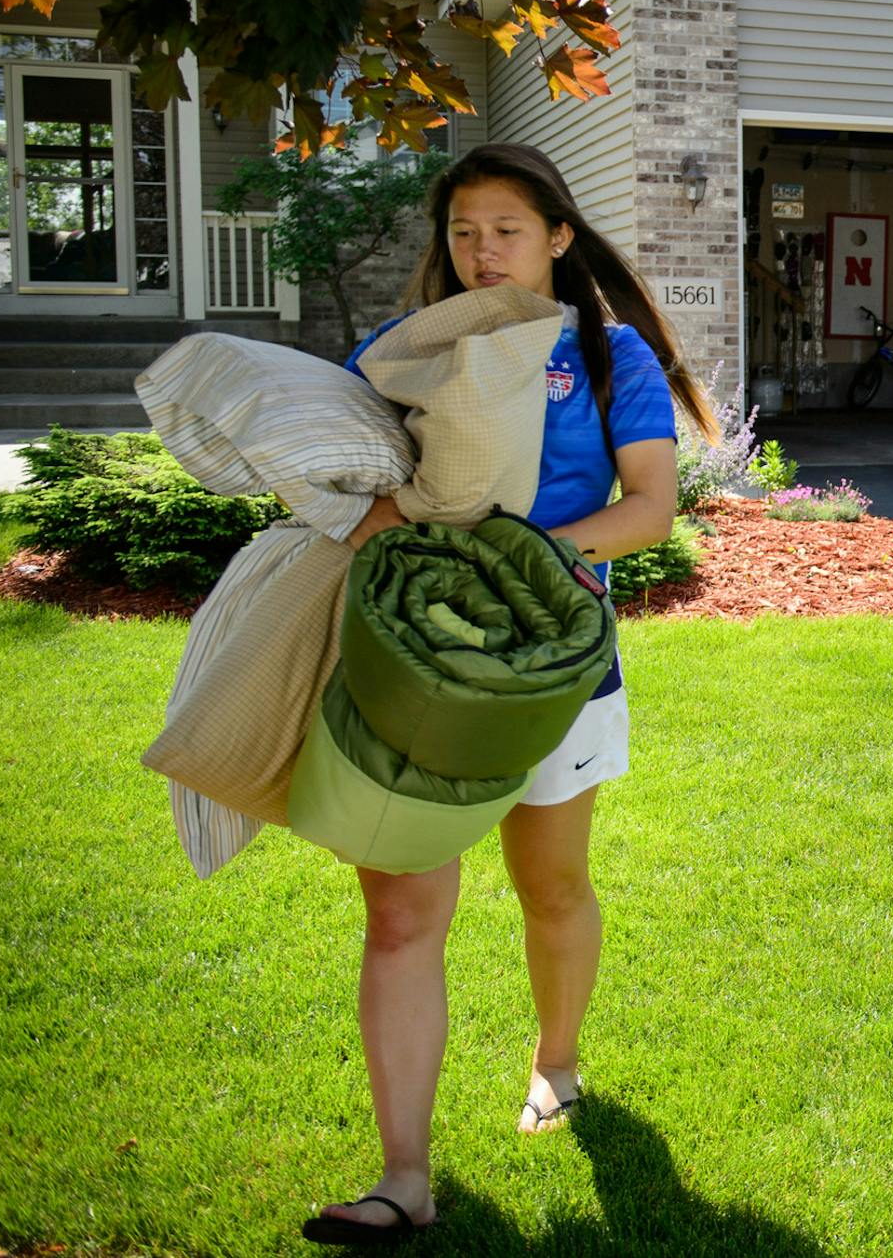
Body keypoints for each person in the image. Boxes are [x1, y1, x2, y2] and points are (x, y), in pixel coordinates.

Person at [303, 143, 716, 1244]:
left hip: (552, 671)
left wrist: (519, 560)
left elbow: (649, 507)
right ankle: (402, 1176)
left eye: (507, 230)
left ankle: (558, 1062)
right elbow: (346, 484)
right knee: (400, 912)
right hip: (416, 667)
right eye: (463, 232)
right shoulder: (402, 352)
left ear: (559, 237)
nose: (482, 252)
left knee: (553, 887)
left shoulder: (609, 353)